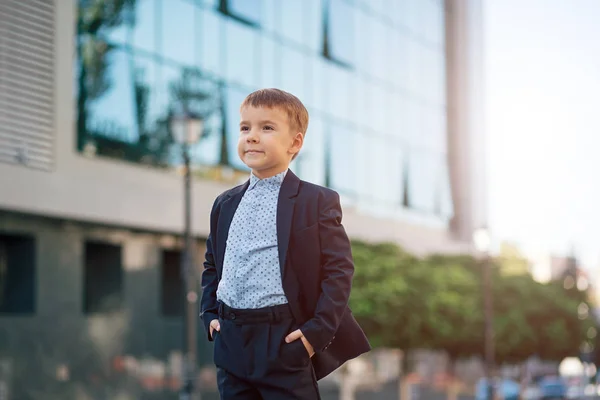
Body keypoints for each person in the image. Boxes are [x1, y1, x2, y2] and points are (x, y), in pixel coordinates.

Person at [200, 88, 371, 399]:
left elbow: (339, 270)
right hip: (231, 339)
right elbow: (212, 263)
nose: (252, 136)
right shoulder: (224, 203)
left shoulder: (316, 200)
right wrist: (209, 314)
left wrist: (314, 333)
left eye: (266, 127)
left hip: (284, 338)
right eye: (244, 127)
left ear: (295, 143)